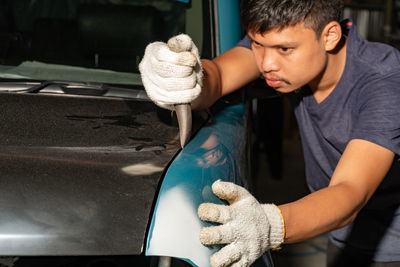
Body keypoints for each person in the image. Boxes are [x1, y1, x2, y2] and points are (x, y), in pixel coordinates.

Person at [139, 0, 400, 266]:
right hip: (339, 234)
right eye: (256, 44)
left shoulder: (385, 84)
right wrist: (185, 77)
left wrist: (270, 224)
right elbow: (218, 76)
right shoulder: (284, 45)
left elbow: (350, 191)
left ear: (329, 36)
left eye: (285, 49)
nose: (266, 64)